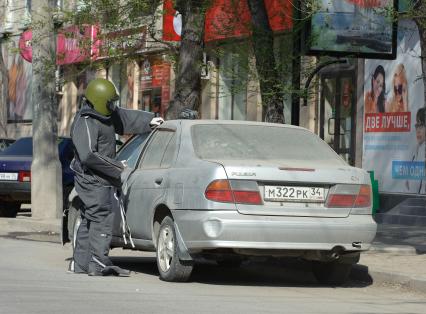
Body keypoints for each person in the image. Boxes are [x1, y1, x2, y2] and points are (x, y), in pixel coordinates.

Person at [68, 78, 164, 276]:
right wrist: (118, 167)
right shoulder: (85, 122)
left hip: (99, 178)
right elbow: (88, 155)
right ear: (100, 100)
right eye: (110, 102)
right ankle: (98, 264)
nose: (113, 106)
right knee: (102, 218)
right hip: (91, 179)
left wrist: (149, 120)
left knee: (89, 218)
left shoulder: (105, 115)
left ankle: (82, 264)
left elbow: (124, 118)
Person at [406, 108, 425, 194]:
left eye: (421, 126)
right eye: (417, 126)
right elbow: (408, 184)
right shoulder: (416, 149)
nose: (418, 130)